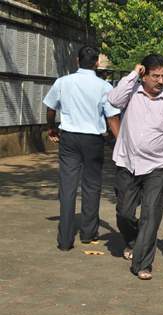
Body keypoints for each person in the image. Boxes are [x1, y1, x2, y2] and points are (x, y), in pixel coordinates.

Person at [108, 54, 163, 280]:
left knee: (151, 214)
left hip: (157, 166)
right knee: (125, 213)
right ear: (144, 76)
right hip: (127, 163)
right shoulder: (131, 93)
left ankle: (143, 264)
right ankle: (132, 240)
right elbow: (113, 100)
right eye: (155, 76)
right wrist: (133, 74)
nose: (160, 81)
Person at [43, 45, 121, 251]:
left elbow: (50, 107)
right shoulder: (104, 87)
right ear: (96, 63)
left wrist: (51, 128)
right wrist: (120, 141)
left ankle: (65, 240)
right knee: (91, 186)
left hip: (68, 138)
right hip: (93, 140)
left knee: (68, 187)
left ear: (77, 61)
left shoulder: (63, 82)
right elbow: (112, 117)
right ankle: (88, 234)